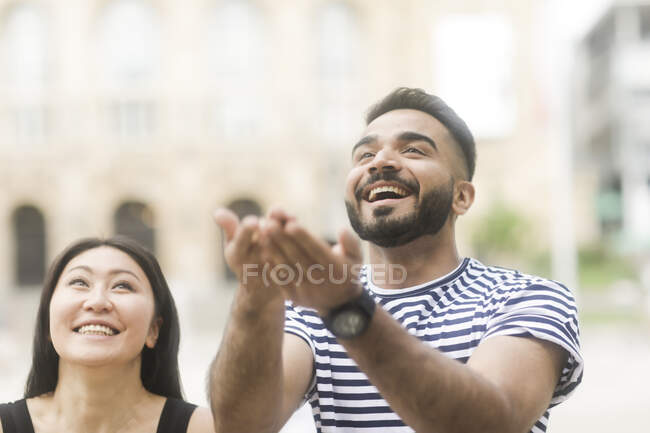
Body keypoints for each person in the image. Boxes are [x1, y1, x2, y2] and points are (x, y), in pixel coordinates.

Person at [209, 87, 583, 433]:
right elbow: (241, 425)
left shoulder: (526, 298)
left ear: (462, 197)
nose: (381, 162)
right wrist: (254, 296)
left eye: (414, 150)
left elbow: (489, 422)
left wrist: (347, 310)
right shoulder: (308, 312)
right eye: (365, 155)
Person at [0, 237, 214, 433]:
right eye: (79, 282)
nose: (98, 302)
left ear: (153, 330)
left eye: (122, 285)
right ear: (48, 323)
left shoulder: (205, 428)